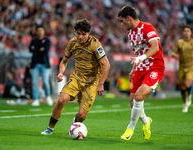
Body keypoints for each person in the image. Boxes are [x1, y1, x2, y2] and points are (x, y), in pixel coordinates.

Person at [41, 19, 110, 135]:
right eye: (78, 33)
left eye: (84, 34)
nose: (80, 37)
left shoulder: (95, 44)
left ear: (88, 33)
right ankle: (50, 128)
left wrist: (101, 83)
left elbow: (106, 64)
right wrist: (61, 73)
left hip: (92, 82)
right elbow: (64, 61)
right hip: (77, 77)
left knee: (82, 115)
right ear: (75, 32)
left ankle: (76, 124)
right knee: (61, 100)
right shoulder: (72, 43)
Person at [117, 6, 165, 141]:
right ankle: (146, 121)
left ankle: (130, 127)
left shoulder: (147, 27)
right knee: (133, 103)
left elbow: (155, 47)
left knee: (139, 96)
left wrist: (142, 58)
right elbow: (139, 51)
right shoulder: (130, 32)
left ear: (129, 18)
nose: (121, 24)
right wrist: (135, 67)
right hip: (140, 68)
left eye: (122, 21)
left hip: (155, 67)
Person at [29, 26, 53, 106]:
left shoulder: (47, 40)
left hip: (44, 64)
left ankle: (48, 96)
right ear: (36, 32)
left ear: (43, 32)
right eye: (38, 31)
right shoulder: (33, 40)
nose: (39, 32)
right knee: (35, 83)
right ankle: (36, 99)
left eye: (41, 30)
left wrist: (36, 50)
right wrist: (40, 49)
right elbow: (30, 49)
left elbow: (45, 50)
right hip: (35, 64)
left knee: (45, 82)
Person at [172, 25, 193, 113]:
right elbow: (173, 53)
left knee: (188, 84)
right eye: (185, 31)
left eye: (188, 31)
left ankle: (189, 97)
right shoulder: (179, 42)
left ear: (190, 32)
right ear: (182, 32)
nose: (186, 33)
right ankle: (185, 104)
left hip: (190, 67)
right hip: (181, 67)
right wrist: (175, 55)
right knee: (182, 87)